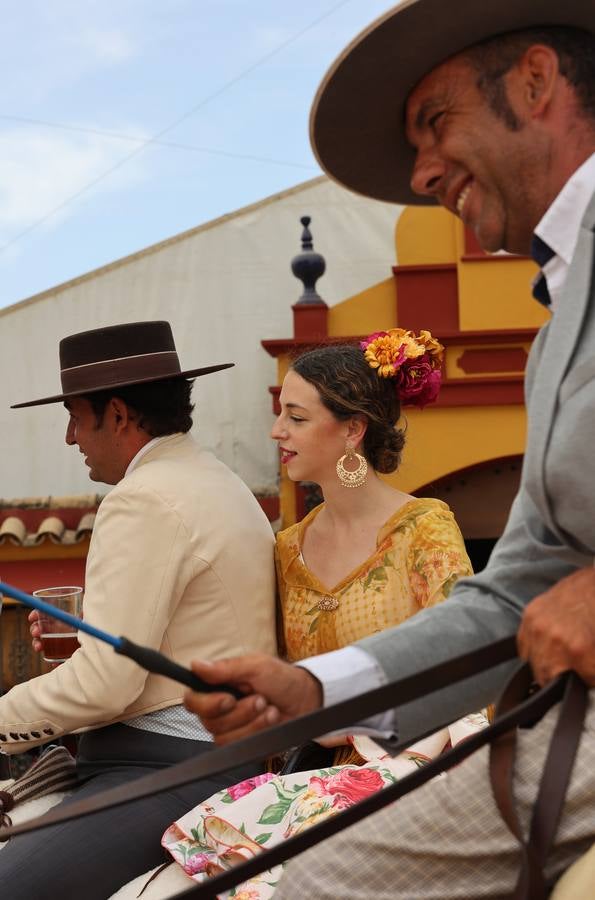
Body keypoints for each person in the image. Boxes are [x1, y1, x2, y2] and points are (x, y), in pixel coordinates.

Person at [183, 3, 595, 897]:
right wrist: (311, 692)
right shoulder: (557, 322)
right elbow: (516, 593)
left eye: (436, 122)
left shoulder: (423, 521)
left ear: (535, 82)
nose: (420, 172)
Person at [115, 334, 479, 899]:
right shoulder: (287, 548)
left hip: (412, 768)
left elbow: (467, 662)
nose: (276, 431)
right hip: (303, 774)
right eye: (280, 413)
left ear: (353, 429)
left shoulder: (424, 529)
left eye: (296, 417)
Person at [0, 320, 277, 898]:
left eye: (75, 417)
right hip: (197, 755)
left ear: (119, 415)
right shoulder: (215, 479)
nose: (71, 437)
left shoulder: (142, 498)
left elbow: (106, 686)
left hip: (168, 766)